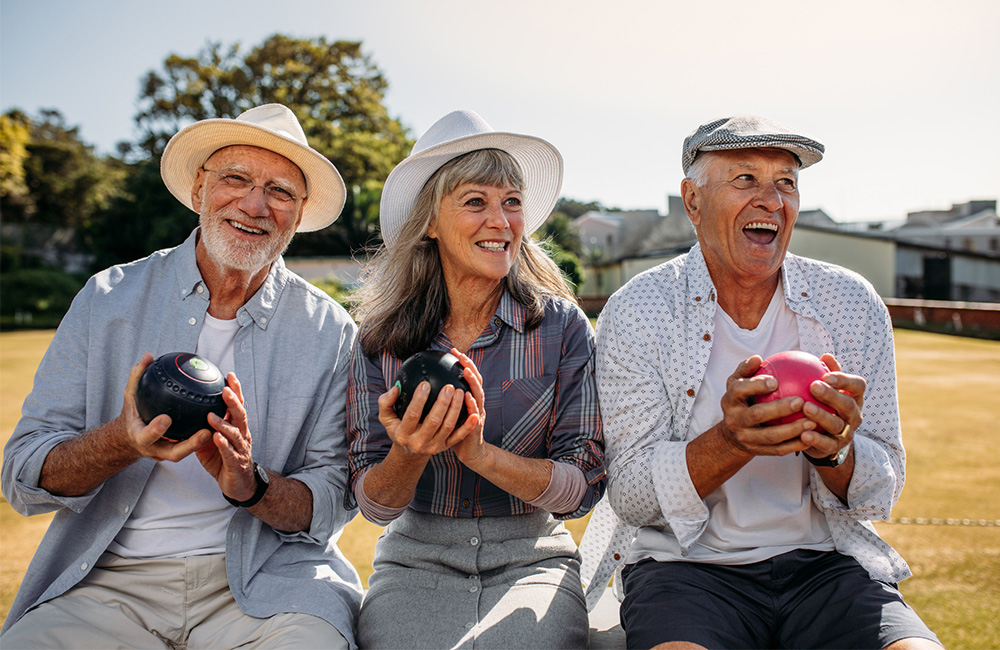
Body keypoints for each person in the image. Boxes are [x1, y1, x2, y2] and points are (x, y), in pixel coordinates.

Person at [1, 104, 362, 649]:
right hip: (107, 584)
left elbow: (333, 498)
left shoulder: (330, 331)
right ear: (198, 190)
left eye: (280, 191)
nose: (254, 204)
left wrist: (250, 483)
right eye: (235, 179)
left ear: (299, 212)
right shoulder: (106, 299)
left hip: (269, 583)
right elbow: (24, 478)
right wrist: (119, 442)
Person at [578, 115, 941, 649]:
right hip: (687, 573)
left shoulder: (851, 302)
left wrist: (834, 452)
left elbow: (880, 489)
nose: (771, 200)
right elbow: (630, 495)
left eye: (786, 182)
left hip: (827, 567)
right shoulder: (639, 310)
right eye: (745, 179)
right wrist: (731, 441)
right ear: (693, 200)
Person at [347, 110, 606, 649]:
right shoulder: (379, 340)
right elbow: (373, 504)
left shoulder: (560, 328)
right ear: (430, 222)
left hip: (532, 557)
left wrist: (480, 455)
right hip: (416, 558)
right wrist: (410, 452)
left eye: (512, 201)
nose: (501, 220)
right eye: (475, 201)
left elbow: (582, 487)